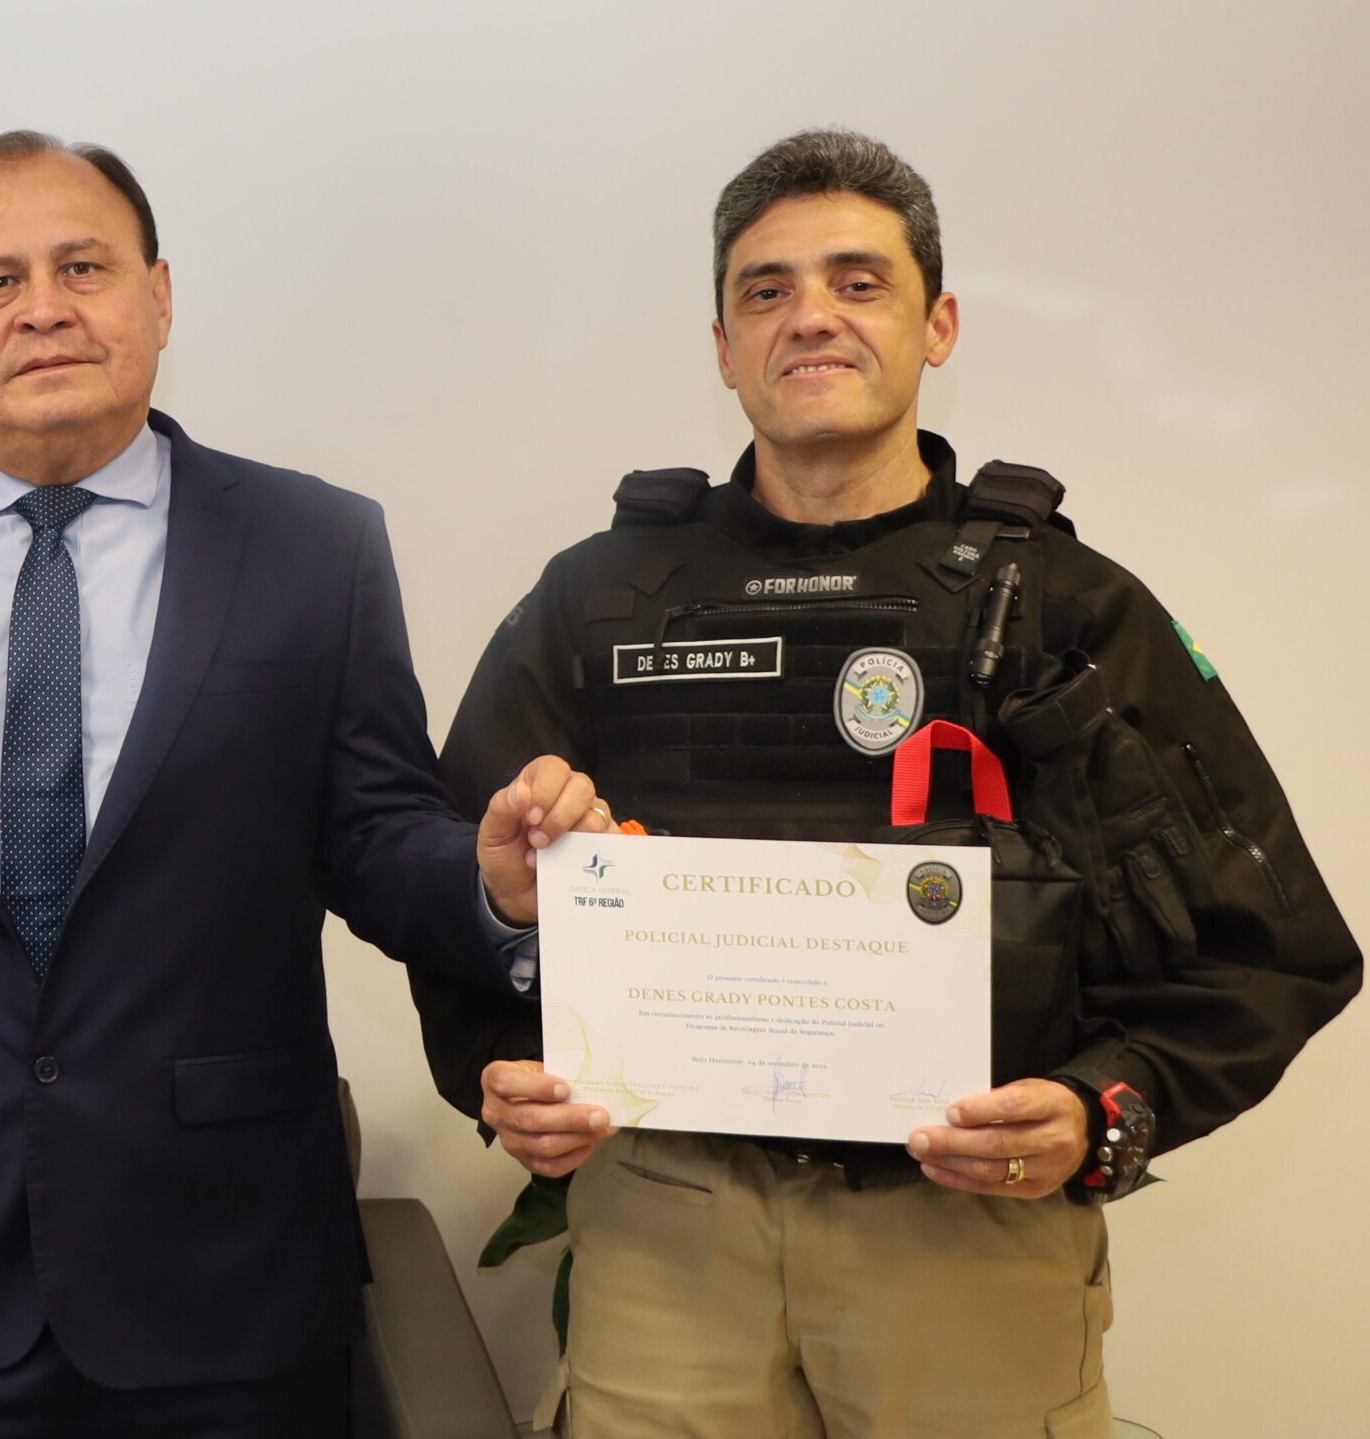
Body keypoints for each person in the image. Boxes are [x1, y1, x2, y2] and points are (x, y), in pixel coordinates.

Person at [409, 129, 1361, 1438]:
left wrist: (1098, 1115)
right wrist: (501, 1070)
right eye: (767, 289)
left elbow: (1277, 951)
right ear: (723, 345)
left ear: (938, 324)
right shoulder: (596, 602)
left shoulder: (1068, 612)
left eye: (859, 283)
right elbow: (453, 879)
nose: (811, 317)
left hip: (968, 1245)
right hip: (670, 1244)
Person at [0, 129, 601, 1436]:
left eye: (83, 266)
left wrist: (491, 885)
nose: (43, 307)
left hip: (228, 1269)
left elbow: (377, 832)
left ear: (159, 297)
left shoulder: (312, 545)